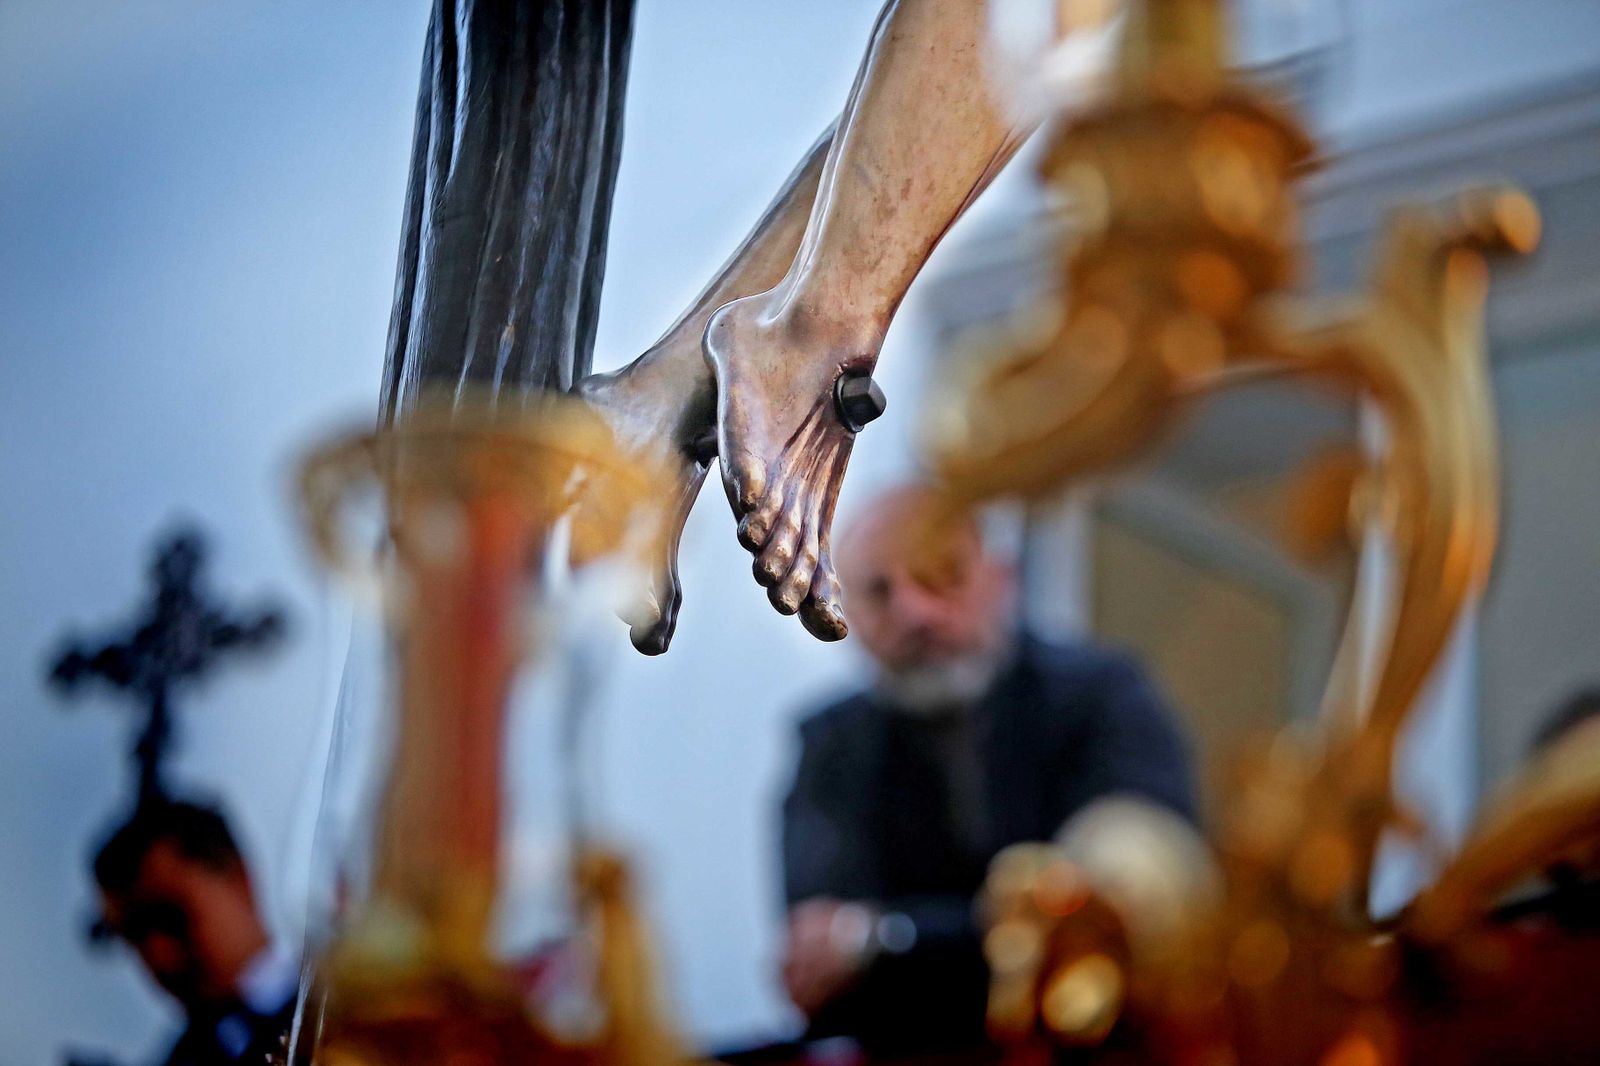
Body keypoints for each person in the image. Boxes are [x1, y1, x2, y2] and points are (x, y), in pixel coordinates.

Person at [779, 485, 1197, 1056]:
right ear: (845, 613)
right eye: (879, 591)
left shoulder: (1105, 696)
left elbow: (1117, 923)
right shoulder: (828, 741)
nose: (914, 612)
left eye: (941, 573)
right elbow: (818, 964)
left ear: (1001, 576)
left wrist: (884, 937)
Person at [91, 801, 298, 1066]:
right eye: (135, 937)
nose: (161, 957)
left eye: (170, 918)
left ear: (238, 877)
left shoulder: (350, 991)